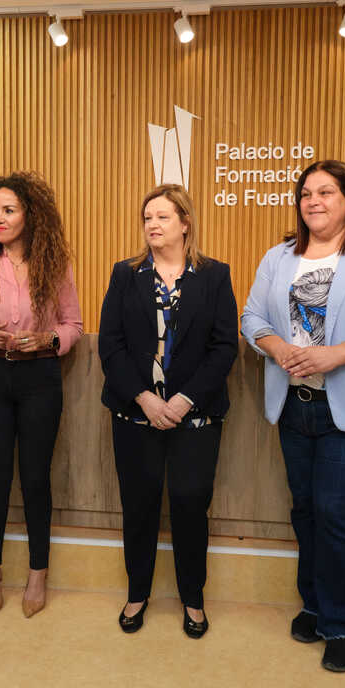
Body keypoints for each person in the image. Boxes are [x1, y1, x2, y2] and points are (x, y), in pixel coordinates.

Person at [241, 160, 345, 672]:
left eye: (326, 192)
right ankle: (315, 605)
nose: (313, 201)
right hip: (294, 404)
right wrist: (276, 347)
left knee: (339, 513)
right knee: (306, 510)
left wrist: (334, 355)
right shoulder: (279, 257)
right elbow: (251, 317)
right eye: (306, 194)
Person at [99, 184, 238, 639]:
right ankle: (137, 593)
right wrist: (144, 397)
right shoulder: (126, 274)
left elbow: (224, 348)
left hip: (194, 416)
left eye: (162, 217)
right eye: (147, 218)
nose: (152, 225)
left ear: (185, 223)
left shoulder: (214, 276)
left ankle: (192, 598)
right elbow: (111, 345)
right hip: (136, 413)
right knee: (139, 505)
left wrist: (183, 399)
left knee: (190, 503)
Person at [0, 172, 83, 618]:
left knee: (34, 479)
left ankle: (37, 572)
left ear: (31, 215)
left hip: (40, 378)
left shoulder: (55, 264)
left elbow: (73, 325)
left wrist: (50, 339)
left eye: (8, 210)